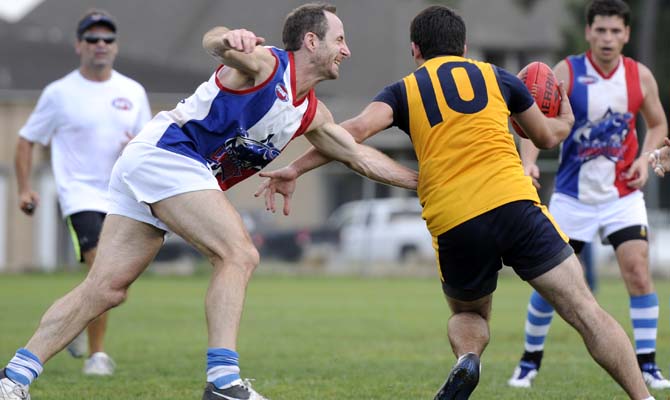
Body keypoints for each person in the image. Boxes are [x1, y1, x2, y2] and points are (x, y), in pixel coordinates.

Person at [0, 3, 418, 400]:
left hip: (152, 167)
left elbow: (359, 155)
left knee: (105, 288)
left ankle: (13, 377)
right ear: (311, 41)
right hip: (168, 156)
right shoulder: (266, 64)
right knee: (238, 253)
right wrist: (226, 39)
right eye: (339, 40)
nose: (346, 49)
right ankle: (223, 380)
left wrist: (423, 184)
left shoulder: (311, 112)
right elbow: (213, 40)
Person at [255, 5, 656, 400]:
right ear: (464, 47)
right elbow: (547, 137)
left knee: (469, 314)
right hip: (514, 204)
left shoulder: (404, 90)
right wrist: (566, 119)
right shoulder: (497, 77)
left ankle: (468, 358)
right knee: (587, 311)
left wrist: (294, 169)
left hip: (455, 219)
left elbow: (352, 132)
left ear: (415, 51)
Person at [507, 0, 669, 390]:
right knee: (554, 282)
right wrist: (528, 162)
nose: (608, 38)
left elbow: (659, 122)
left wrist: (646, 160)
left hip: (622, 195)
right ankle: (529, 363)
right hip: (571, 197)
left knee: (637, 273)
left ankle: (647, 364)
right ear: (589, 32)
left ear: (627, 34)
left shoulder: (639, 76)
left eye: (616, 31)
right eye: (601, 30)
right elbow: (534, 122)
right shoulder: (566, 72)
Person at [13, 9, 151, 377]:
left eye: (107, 39)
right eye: (92, 39)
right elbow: (26, 140)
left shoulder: (132, 91)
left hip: (122, 197)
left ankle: (72, 319)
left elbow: (146, 144)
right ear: (79, 45)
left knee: (115, 284)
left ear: (115, 46)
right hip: (81, 196)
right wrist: (25, 189)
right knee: (101, 270)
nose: (100, 45)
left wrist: (135, 147)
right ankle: (97, 356)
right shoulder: (59, 93)